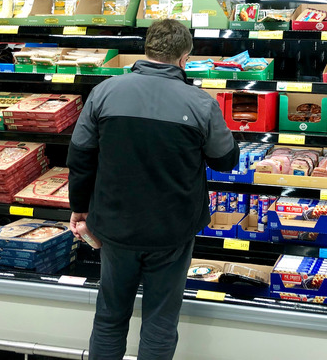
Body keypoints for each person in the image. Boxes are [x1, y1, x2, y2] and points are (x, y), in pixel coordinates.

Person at [67, 19, 239, 360]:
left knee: (110, 316)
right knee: (161, 321)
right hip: (172, 231)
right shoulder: (200, 103)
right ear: (184, 58)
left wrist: (80, 206)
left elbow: (80, 155)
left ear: (147, 50)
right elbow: (225, 160)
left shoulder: (104, 92)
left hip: (115, 227)